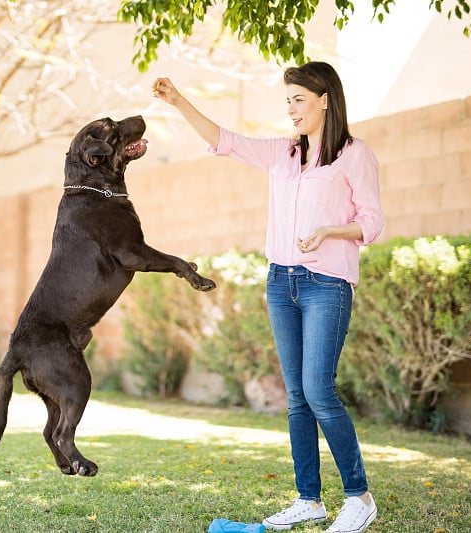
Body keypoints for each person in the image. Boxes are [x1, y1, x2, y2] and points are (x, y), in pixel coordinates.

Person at [152, 61, 383, 533]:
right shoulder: (284, 153)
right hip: (281, 283)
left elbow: (373, 223)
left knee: (319, 389)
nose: (292, 109)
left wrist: (328, 231)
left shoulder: (355, 155)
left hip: (327, 284)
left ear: (325, 99)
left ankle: (359, 497)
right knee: (297, 396)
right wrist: (178, 102)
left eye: (299, 99)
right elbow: (226, 140)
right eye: (288, 101)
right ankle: (310, 500)